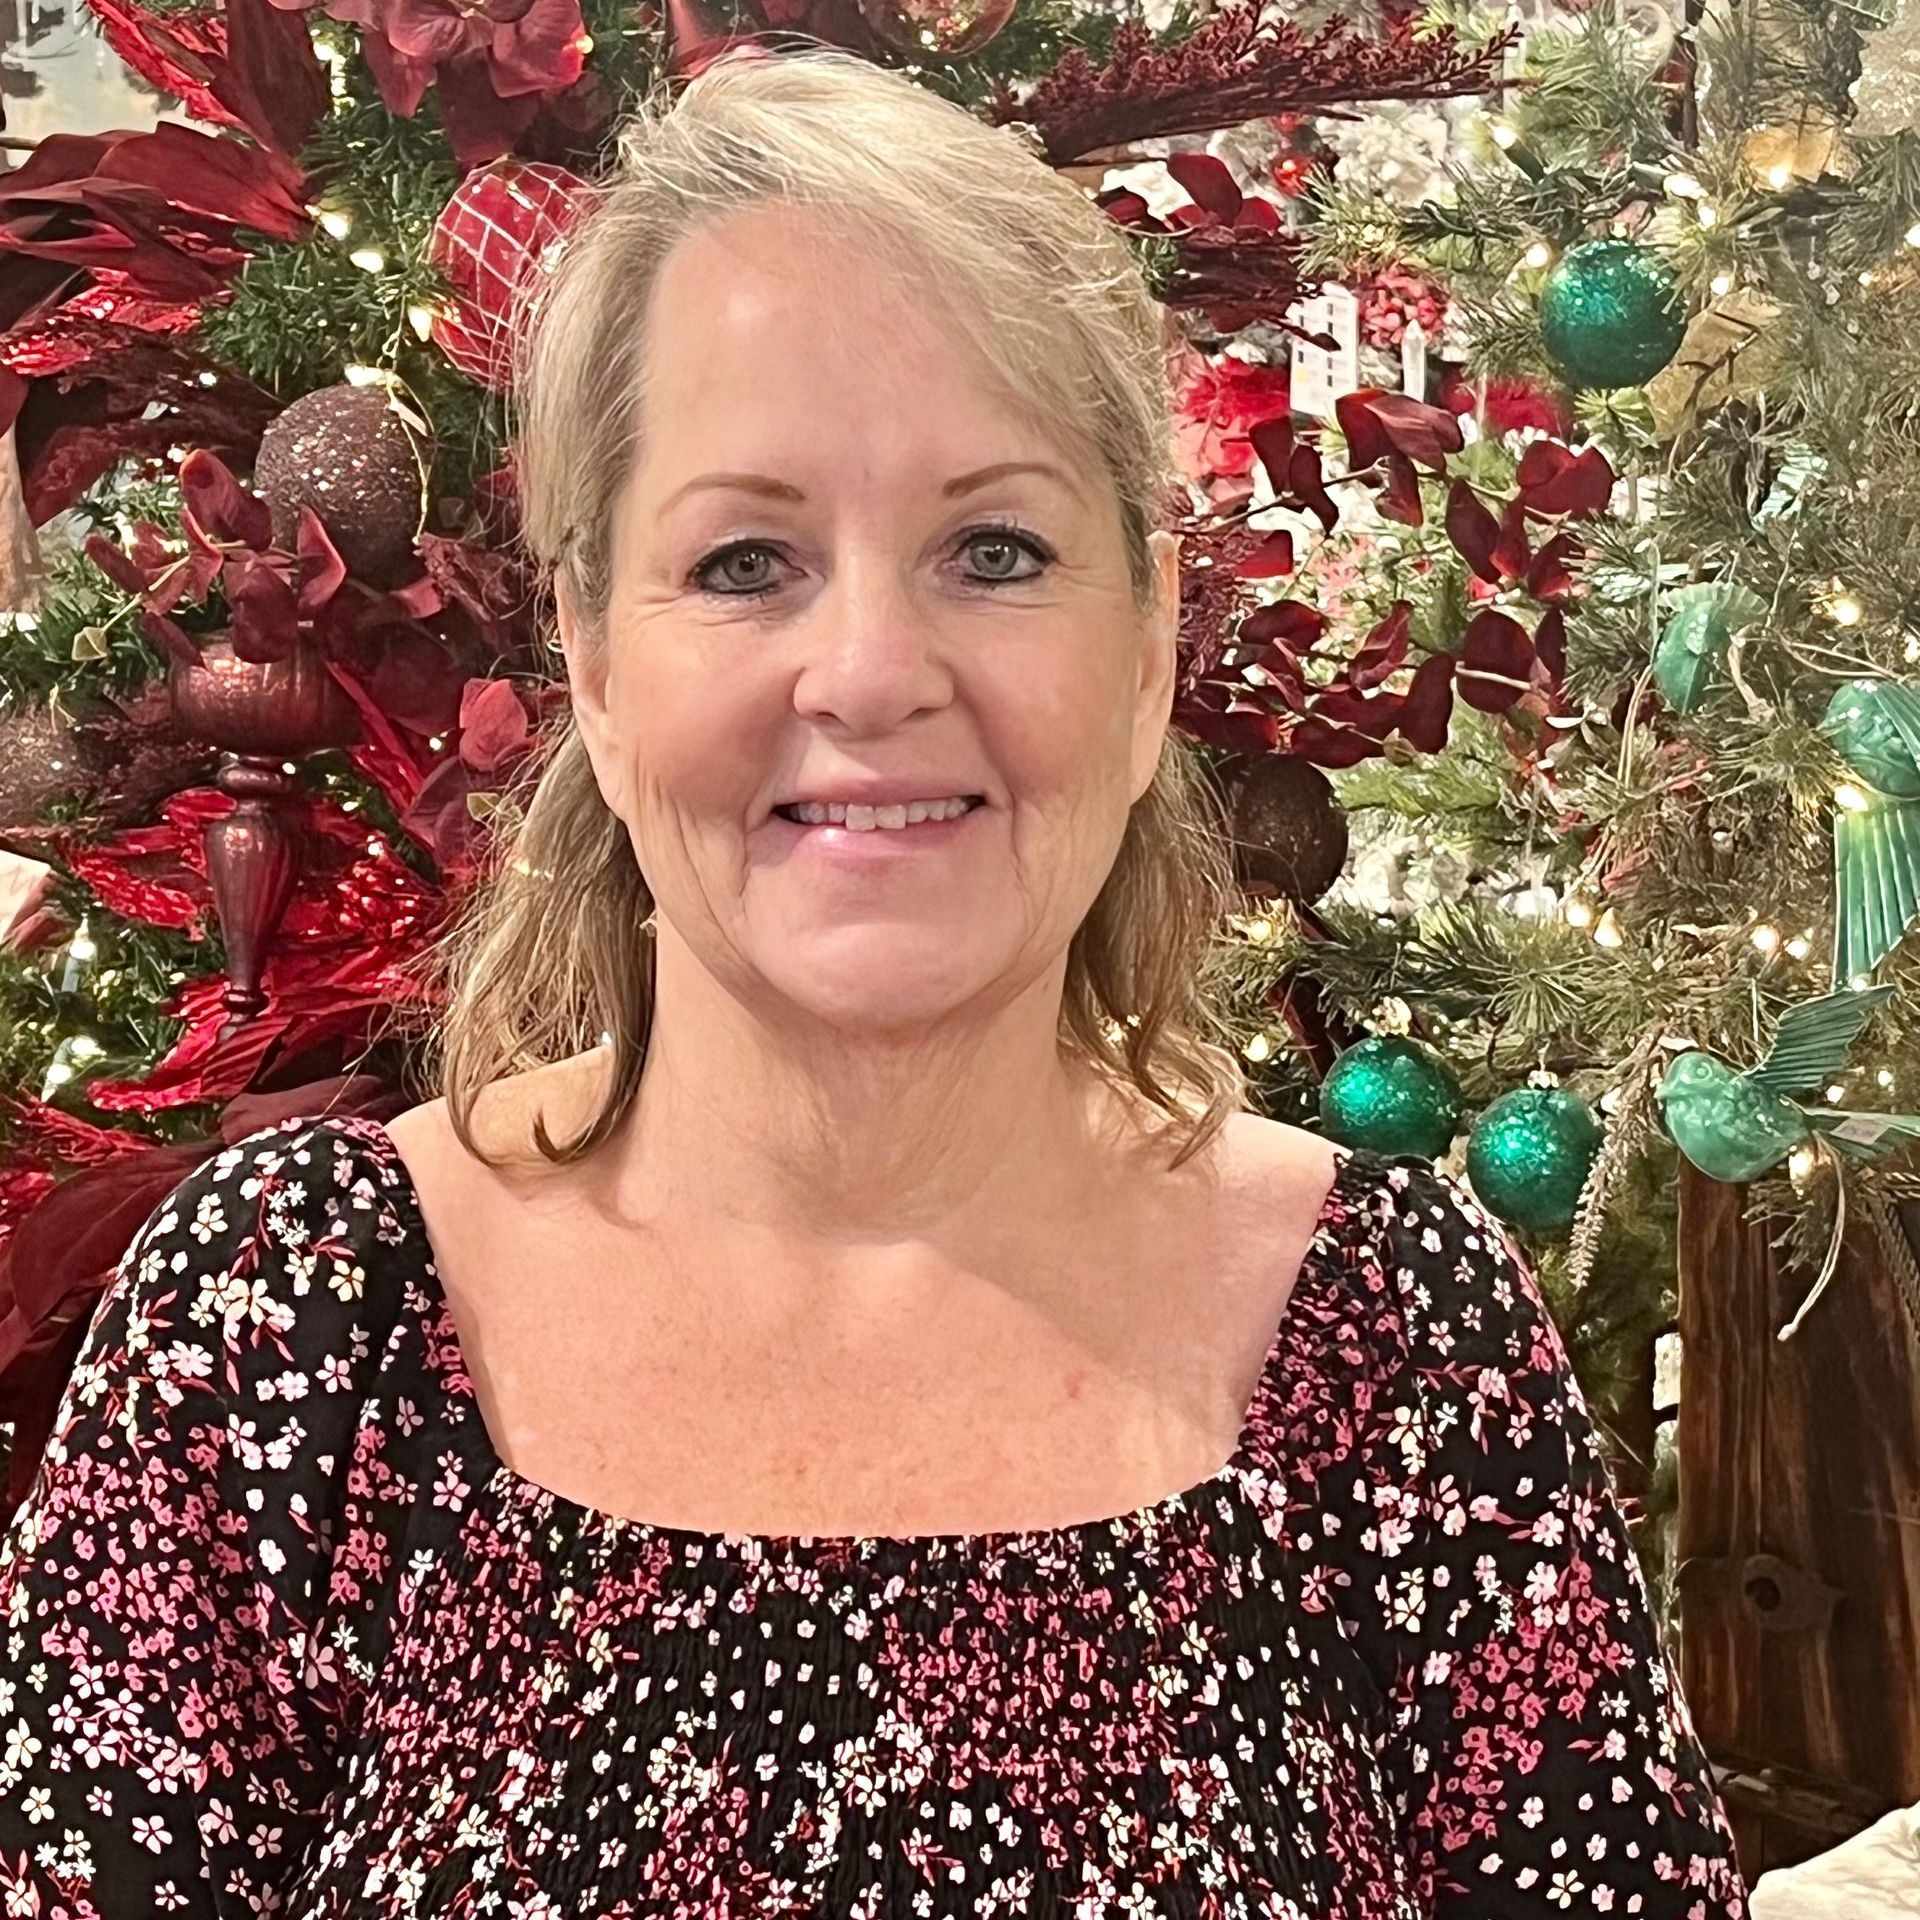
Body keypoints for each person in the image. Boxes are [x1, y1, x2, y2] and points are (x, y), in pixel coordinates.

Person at [0, 44, 1748, 1920]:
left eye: (994, 549)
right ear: (590, 652)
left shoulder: (1402, 1344)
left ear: (1151, 641)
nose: (868, 672)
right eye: (745, 559)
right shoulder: (291, 1320)